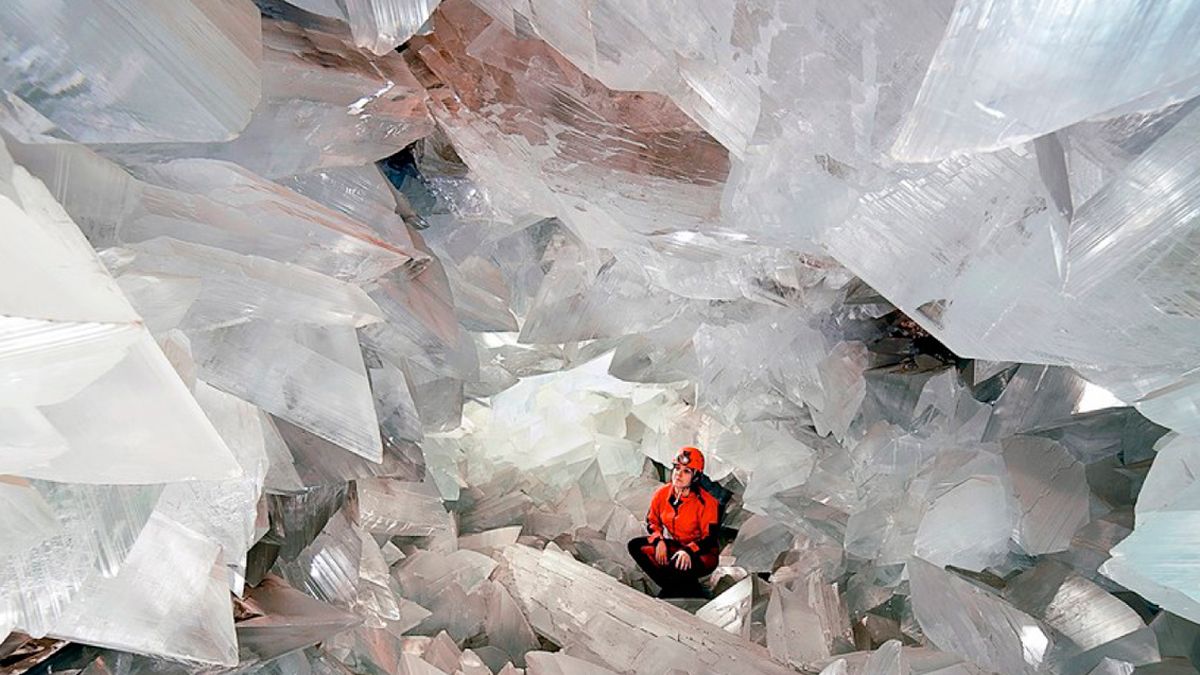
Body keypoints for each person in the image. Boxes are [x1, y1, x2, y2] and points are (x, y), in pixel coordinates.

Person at [627, 446, 721, 598]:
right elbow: (652, 521)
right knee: (636, 546)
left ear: (696, 476)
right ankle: (675, 586)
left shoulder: (707, 503)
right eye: (677, 468)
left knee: (677, 564)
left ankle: (676, 589)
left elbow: (709, 539)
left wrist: (688, 551)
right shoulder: (662, 493)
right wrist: (659, 540)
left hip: (702, 554)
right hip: (678, 546)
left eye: (686, 471)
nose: (679, 474)